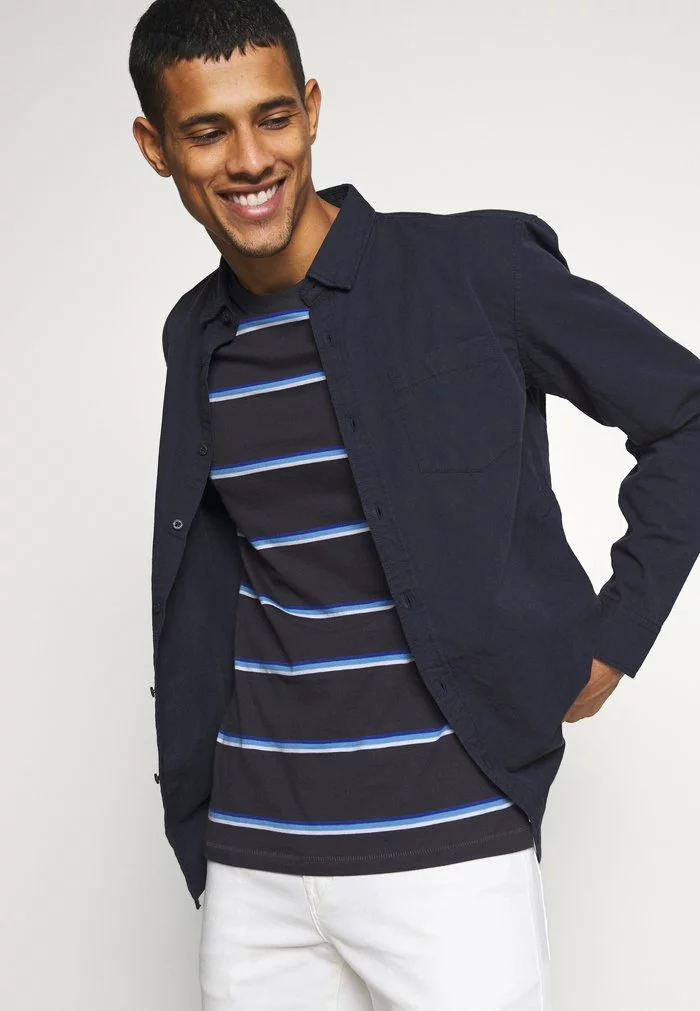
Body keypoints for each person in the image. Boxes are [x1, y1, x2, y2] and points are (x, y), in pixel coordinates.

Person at [129, 1, 700, 1008]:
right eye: (207, 131)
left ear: (311, 110)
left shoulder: (472, 273)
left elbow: (686, 414)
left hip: (449, 854)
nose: (250, 159)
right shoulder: (197, 336)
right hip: (254, 866)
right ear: (156, 147)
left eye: (272, 117)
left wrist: (615, 638)